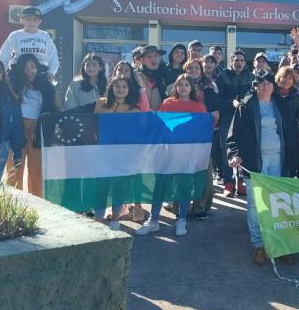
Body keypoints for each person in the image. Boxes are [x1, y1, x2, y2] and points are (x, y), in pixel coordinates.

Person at [227, 71, 299, 265]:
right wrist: (234, 155)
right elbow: (234, 135)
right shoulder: (245, 107)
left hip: (279, 160)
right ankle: (259, 244)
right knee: (255, 205)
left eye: (268, 82)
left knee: (278, 203)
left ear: (273, 86)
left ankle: (280, 243)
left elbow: (292, 133)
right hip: (254, 163)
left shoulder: (282, 105)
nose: (265, 85)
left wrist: (295, 161)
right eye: (261, 82)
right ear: (255, 86)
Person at [136, 75, 208, 237]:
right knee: (160, 184)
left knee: (184, 185)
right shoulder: (168, 103)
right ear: (175, 87)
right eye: (180, 84)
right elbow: (159, 126)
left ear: (191, 88)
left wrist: (213, 119)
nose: (183, 87)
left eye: (186, 85)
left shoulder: (199, 106)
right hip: (167, 151)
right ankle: (153, 220)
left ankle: (181, 220)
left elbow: (202, 129)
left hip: (187, 152)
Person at [93, 76, 144, 230]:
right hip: (102, 153)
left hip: (123, 155)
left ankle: (115, 218)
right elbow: (91, 125)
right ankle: (99, 217)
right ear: (111, 88)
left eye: (124, 86)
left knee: (119, 187)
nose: (120, 89)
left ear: (129, 90)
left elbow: (137, 133)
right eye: (117, 86)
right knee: (101, 186)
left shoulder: (134, 110)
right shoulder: (100, 104)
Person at [7, 53, 58, 197]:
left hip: (38, 130)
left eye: (32, 67)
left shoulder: (46, 86)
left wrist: (39, 128)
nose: (29, 71)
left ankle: (36, 203)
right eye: (25, 67)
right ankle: (12, 202)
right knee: (15, 169)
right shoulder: (13, 86)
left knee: (37, 171)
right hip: (17, 129)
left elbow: (51, 110)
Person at [181, 59, 220, 219]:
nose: (194, 70)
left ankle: (200, 207)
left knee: (204, 171)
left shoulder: (210, 86)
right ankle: (180, 206)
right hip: (182, 137)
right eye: (190, 67)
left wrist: (214, 118)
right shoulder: (179, 85)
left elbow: (216, 106)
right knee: (182, 172)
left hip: (204, 134)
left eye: (197, 67)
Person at [215, 49, 254, 196]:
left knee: (244, 149)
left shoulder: (251, 77)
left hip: (245, 118)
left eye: (242, 60)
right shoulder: (222, 77)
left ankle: (241, 182)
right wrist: (231, 103)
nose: (239, 63)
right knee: (227, 150)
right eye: (236, 60)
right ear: (231, 61)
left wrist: (244, 102)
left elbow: (253, 94)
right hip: (227, 117)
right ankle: (228, 183)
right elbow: (217, 99)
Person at [0, 6, 59, 78]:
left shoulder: (45, 36)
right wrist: (2, 72)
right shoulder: (15, 35)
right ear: (22, 20)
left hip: (41, 72)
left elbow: (53, 55)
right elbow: (4, 54)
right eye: (28, 19)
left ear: (39, 22)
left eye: (35, 19)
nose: (31, 22)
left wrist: (52, 72)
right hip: (19, 71)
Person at [137, 45, 173, 111]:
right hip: (142, 114)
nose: (153, 59)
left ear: (160, 58)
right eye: (149, 56)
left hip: (163, 113)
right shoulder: (136, 76)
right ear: (143, 61)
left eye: (156, 56)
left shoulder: (168, 75)